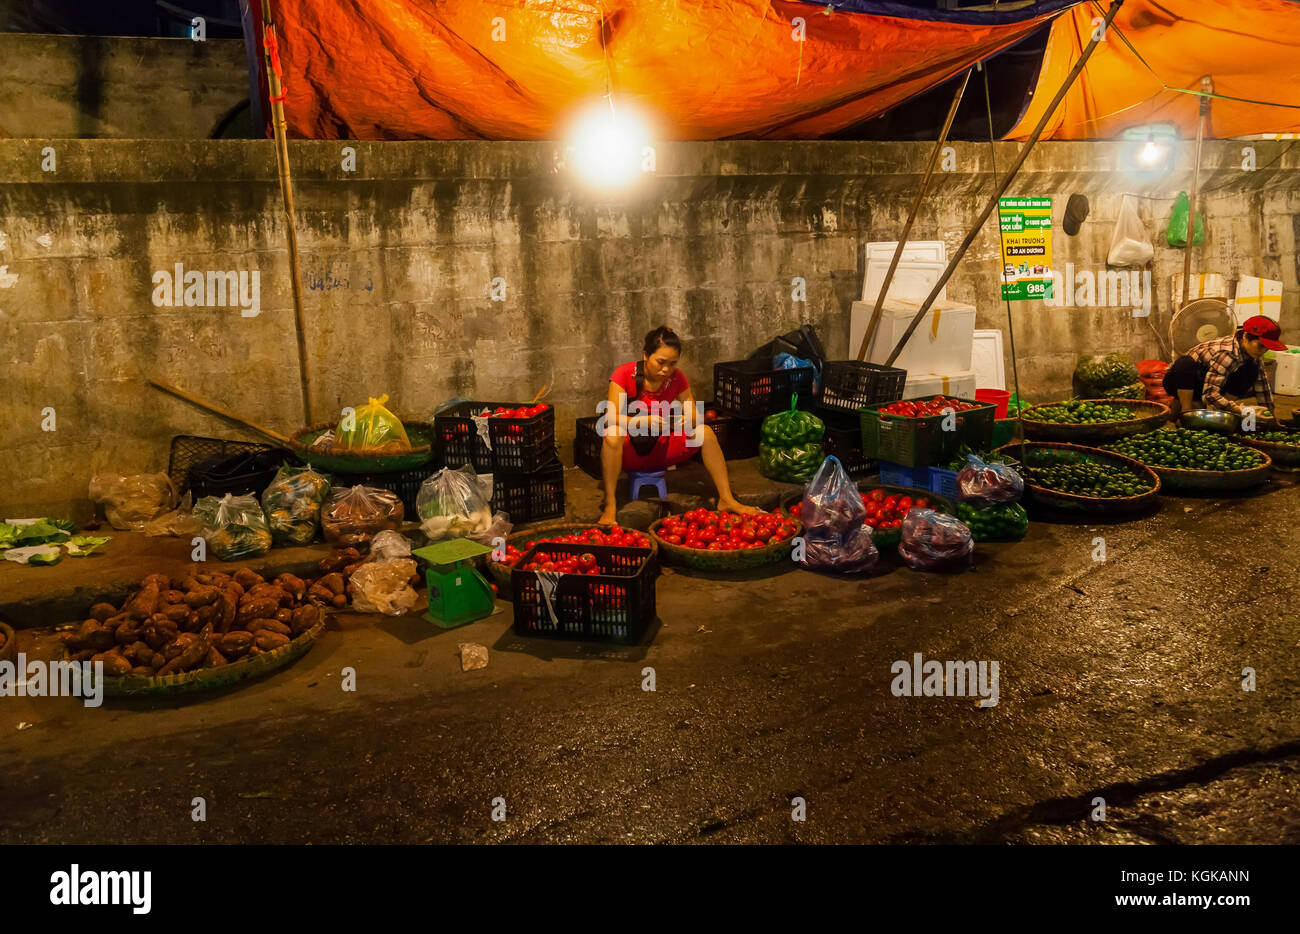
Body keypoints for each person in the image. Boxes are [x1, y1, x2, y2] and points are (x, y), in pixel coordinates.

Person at [598, 325, 760, 525]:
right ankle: (610, 505)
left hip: (663, 449)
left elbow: (694, 414)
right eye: (661, 362)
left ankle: (726, 499)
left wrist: (689, 419)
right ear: (646, 354)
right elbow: (609, 418)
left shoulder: (677, 378)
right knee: (612, 434)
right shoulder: (624, 374)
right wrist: (640, 420)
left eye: (672, 364)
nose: (666, 369)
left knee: (705, 432)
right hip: (630, 454)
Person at [1162, 315, 1285, 420]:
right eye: (1260, 346)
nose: (1263, 351)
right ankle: (1186, 413)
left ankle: (1220, 412)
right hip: (1183, 382)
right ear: (1246, 337)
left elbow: (1262, 388)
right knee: (1185, 363)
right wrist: (1241, 410)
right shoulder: (1226, 353)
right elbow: (1209, 394)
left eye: (1267, 347)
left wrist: (1272, 418)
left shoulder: (1254, 356)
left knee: (1251, 371)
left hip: (1209, 383)